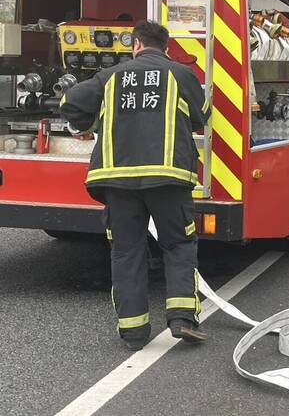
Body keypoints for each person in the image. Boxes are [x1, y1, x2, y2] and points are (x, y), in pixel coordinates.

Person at [61, 21, 211, 350]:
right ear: (165, 48)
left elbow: (70, 102)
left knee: (127, 251)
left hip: (118, 182)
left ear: (137, 45)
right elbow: (203, 114)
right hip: (168, 178)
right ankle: (183, 319)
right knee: (178, 244)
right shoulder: (180, 74)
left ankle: (133, 332)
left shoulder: (110, 76)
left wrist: (93, 122)